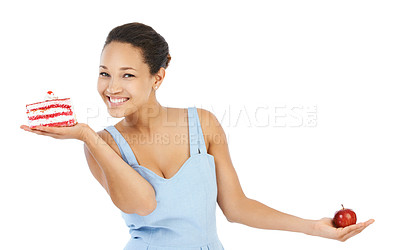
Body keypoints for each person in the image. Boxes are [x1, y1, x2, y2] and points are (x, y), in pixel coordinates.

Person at [20, 22, 374, 249]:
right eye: (104, 73)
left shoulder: (203, 124)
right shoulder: (104, 143)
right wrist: (86, 135)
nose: (111, 87)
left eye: (127, 75)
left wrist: (315, 228)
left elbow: (236, 208)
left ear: (157, 78)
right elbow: (142, 204)